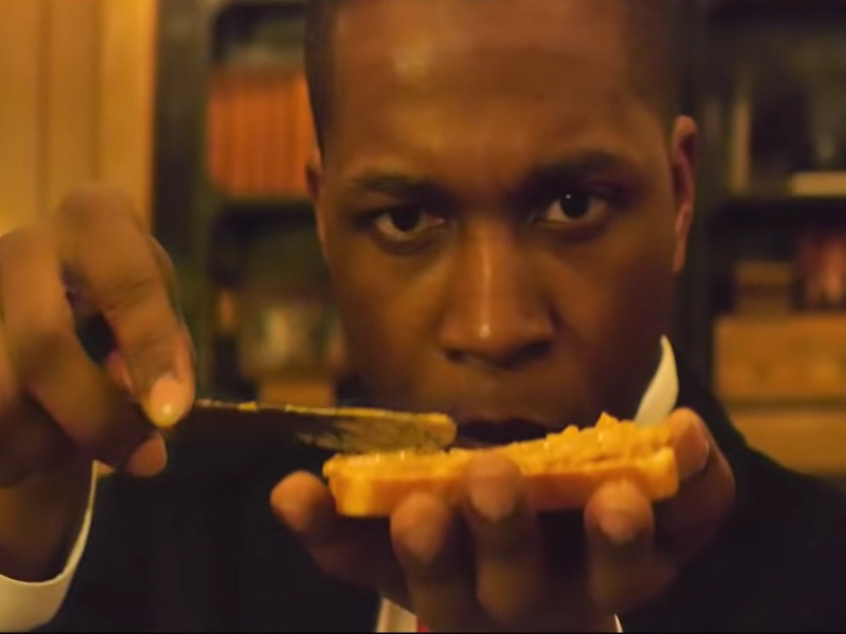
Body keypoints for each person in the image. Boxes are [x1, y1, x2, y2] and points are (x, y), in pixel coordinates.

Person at [0, 0, 845, 631]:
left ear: (682, 196)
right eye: (406, 220)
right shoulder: (172, 547)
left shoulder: (822, 579)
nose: (491, 328)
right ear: (324, 219)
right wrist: (19, 533)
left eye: (573, 205)